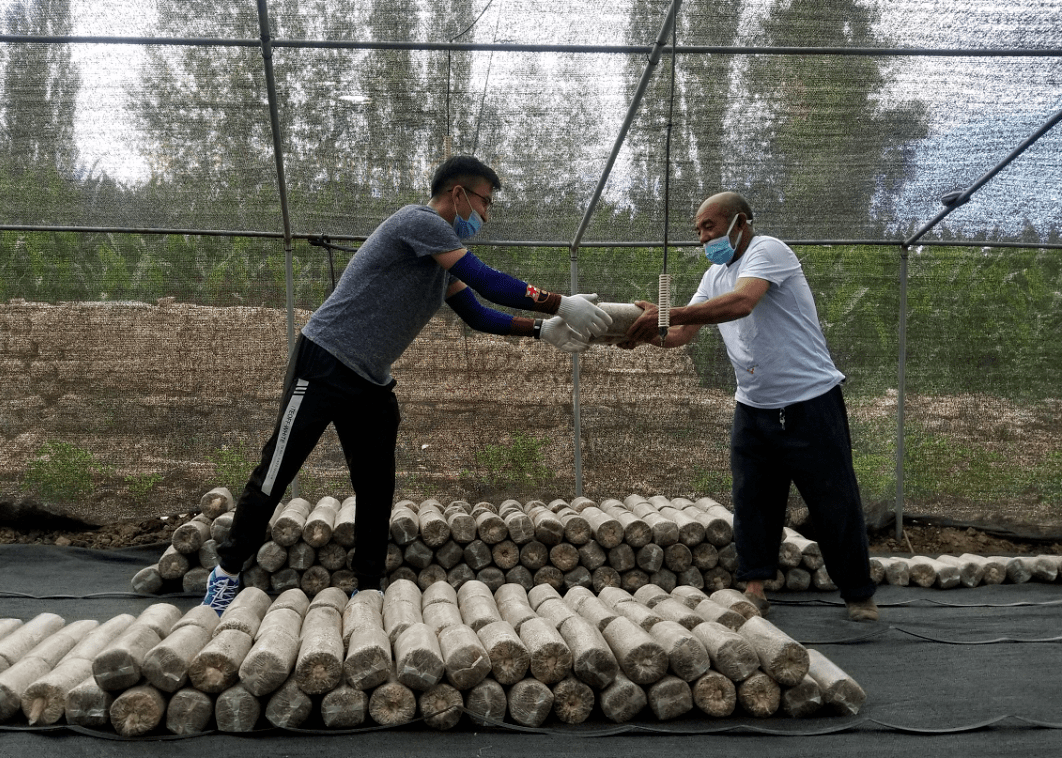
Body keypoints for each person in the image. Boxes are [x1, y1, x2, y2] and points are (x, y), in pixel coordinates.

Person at [201, 155, 613, 614]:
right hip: (324, 361)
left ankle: (369, 586)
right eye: (484, 202)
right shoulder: (420, 222)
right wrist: (558, 302)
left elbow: (476, 313)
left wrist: (542, 330)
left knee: (376, 486)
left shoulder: (441, 258)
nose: (486, 215)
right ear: (457, 194)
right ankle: (227, 571)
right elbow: (488, 282)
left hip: (370, 381)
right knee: (278, 466)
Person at [622, 191, 878, 622]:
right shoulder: (714, 274)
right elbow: (681, 335)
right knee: (753, 498)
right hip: (754, 406)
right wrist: (642, 329)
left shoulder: (767, 250)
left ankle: (858, 594)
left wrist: (673, 314)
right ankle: (755, 587)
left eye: (710, 226)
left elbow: (743, 302)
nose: (704, 237)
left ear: (740, 221)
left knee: (834, 500)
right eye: (698, 230)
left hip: (810, 401)